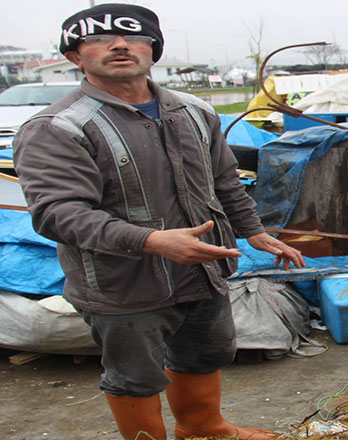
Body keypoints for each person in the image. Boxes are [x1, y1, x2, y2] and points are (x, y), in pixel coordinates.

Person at [13, 4, 304, 439]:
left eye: (134, 38)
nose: (119, 45)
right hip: (122, 283)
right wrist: (151, 241)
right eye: (98, 39)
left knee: (205, 353)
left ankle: (203, 428)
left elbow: (223, 181)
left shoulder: (193, 111)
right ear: (76, 57)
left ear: (154, 50)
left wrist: (255, 232)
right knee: (135, 375)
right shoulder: (58, 127)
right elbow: (59, 214)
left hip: (201, 269)